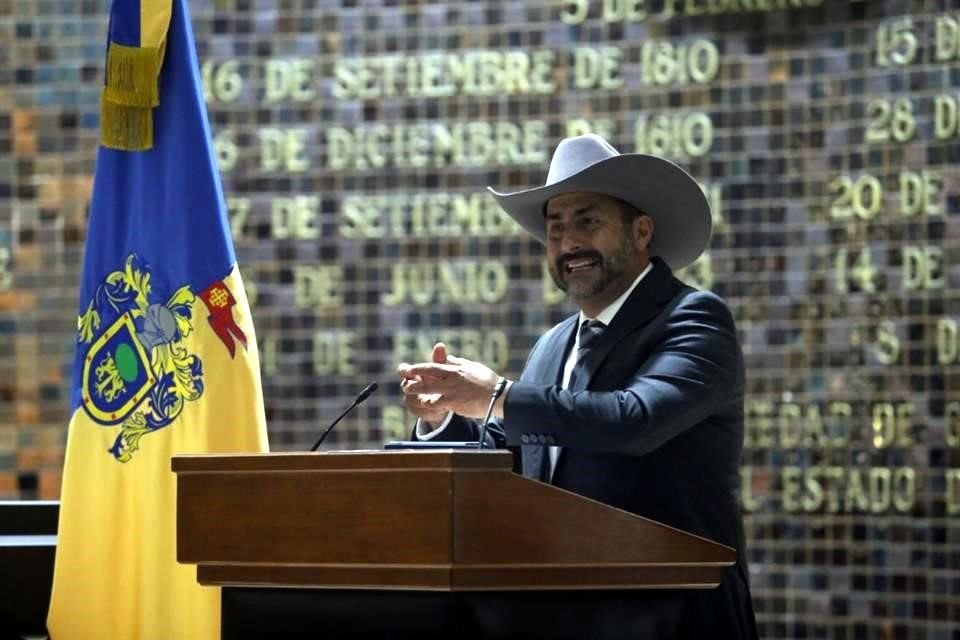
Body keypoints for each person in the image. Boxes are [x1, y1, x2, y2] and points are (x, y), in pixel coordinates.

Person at [397, 133, 758, 639]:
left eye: (588, 222)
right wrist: (443, 418)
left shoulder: (693, 319)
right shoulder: (552, 344)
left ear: (641, 232)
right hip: (560, 618)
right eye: (556, 228)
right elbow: (529, 450)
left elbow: (634, 420)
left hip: (674, 618)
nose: (569, 243)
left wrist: (497, 395)